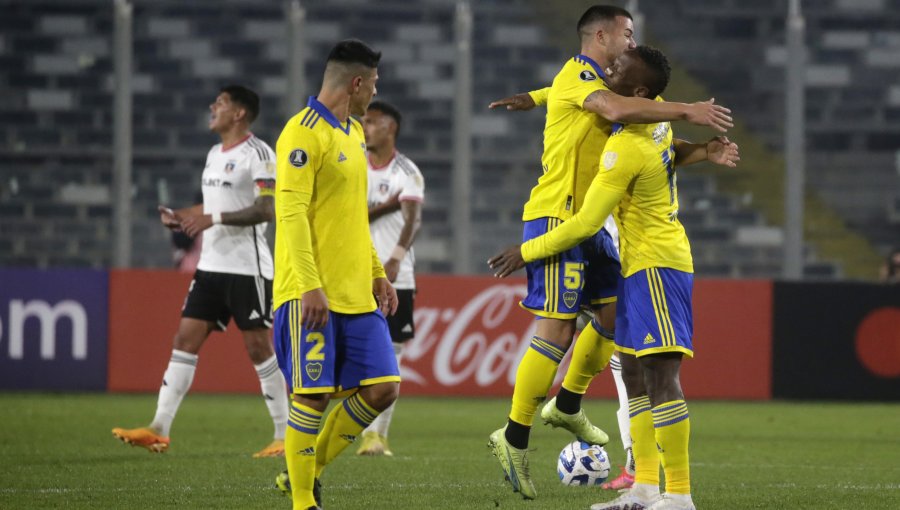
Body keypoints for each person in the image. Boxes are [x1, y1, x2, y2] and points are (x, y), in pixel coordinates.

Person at [485, 5, 733, 500]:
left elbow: (631, 113)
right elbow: (613, 105)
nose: (628, 45)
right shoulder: (601, 92)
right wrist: (687, 110)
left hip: (617, 237)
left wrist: (537, 98)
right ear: (601, 36)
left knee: (616, 323)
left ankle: (574, 407)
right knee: (561, 328)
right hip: (560, 213)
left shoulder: (631, 120)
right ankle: (514, 436)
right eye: (626, 34)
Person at [112, 85, 289, 458]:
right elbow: (213, 205)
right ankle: (159, 427)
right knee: (184, 339)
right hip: (211, 266)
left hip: (248, 270)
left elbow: (265, 210)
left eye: (221, 103)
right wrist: (184, 216)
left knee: (258, 347)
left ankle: (284, 434)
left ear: (239, 113)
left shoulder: (260, 154)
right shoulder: (213, 154)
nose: (213, 107)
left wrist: (212, 218)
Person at [271, 39, 399, 510]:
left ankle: (306, 471)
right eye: (375, 83)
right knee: (311, 398)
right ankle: (304, 501)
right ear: (357, 83)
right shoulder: (301, 134)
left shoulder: (351, 131)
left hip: (355, 295)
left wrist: (376, 272)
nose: (376, 93)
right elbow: (291, 215)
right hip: (311, 291)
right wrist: (308, 285)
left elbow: (353, 216)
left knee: (384, 388)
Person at [356, 101, 424, 457]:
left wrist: (395, 260)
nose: (365, 127)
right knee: (357, 356)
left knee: (389, 359)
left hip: (396, 277)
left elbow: (413, 219)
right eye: (363, 121)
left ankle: (376, 436)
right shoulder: (353, 165)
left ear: (391, 128)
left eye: (372, 122)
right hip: (352, 275)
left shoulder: (407, 171)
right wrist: (385, 206)